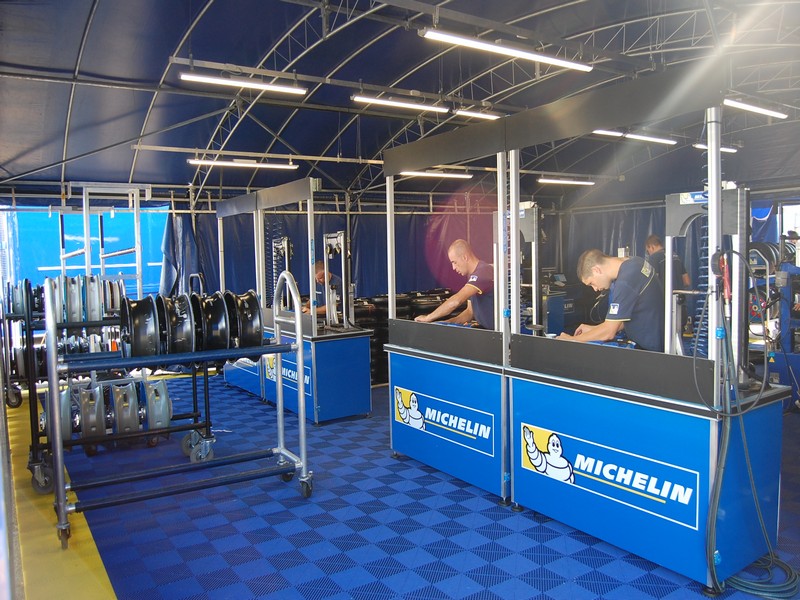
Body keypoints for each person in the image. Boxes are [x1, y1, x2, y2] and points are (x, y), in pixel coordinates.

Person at [557, 249, 664, 351]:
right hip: (654, 342)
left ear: (596, 270)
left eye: (591, 283)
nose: (595, 289)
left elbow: (609, 332)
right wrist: (593, 329)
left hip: (650, 351)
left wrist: (572, 340)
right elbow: (621, 320)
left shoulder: (625, 281)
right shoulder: (635, 262)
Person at [414, 239, 495, 330]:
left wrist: (428, 318)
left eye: (454, 262)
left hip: (497, 333)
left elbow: (456, 301)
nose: (453, 267)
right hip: (485, 332)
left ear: (465, 257)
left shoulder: (483, 271)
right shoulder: (473, 277)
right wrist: (447, 323)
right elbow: (469, 312)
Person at [644, 234, 691, 332]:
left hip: (663, 309)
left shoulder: (654, 258)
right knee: (678, 336)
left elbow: (649, 283)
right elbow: (687, 282)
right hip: (680, 306)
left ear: (651, 247)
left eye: (648, 251)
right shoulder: (675, 256)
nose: (649, 253)